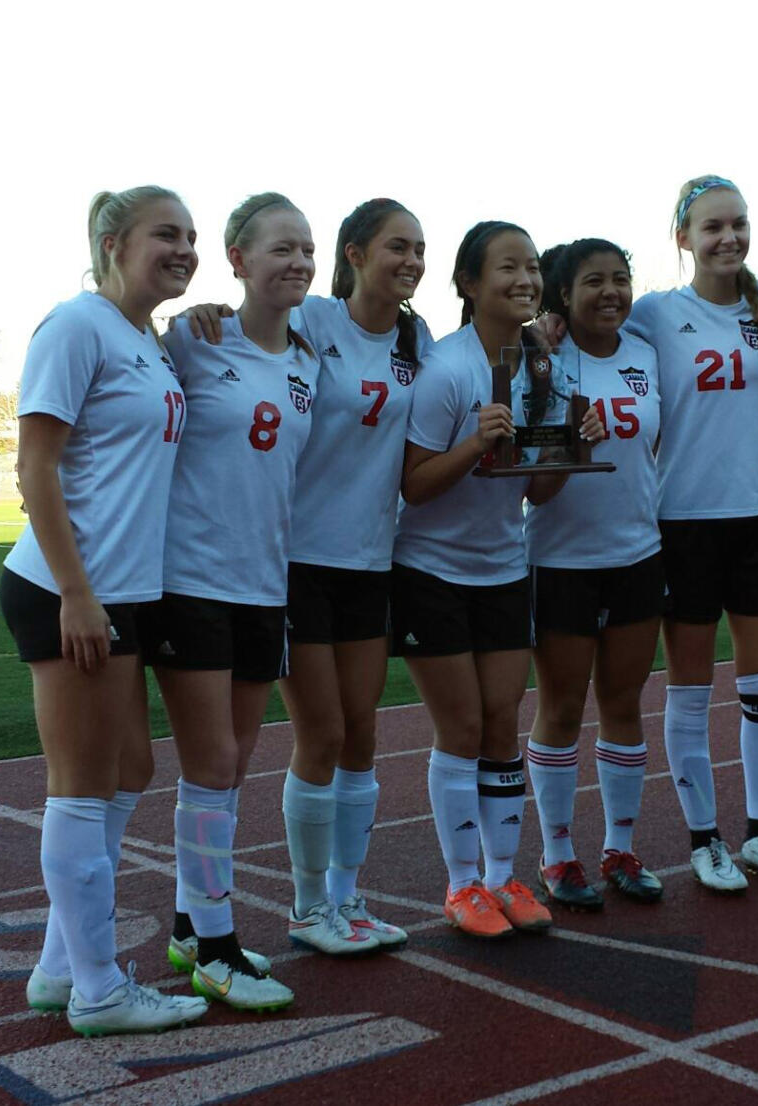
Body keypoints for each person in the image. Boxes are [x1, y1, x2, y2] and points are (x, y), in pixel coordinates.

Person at [1, 185, 209, 1035]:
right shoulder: (75, 326)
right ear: (115, 242)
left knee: (131, 774)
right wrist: (79, 596)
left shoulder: (149, 341)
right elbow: (35, 469)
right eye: (168, 234)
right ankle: (98, 991)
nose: (185, 248)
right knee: (81, 790)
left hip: (123, 592)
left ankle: (60, 968)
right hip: (68, 590)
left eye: (192, 236)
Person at [391, 220, 601, 938]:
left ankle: (502, 876)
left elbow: (534, 494)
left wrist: (571, 453)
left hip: (503, 570)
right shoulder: (447, 371)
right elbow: (414, 486)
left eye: (533, 268)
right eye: (507, 267)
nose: (525, 280)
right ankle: (459, 887)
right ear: (469, 284)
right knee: (462, 728)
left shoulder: (544, 366)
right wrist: (473, 441)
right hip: (431, 573)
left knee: (503, 729)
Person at [142, 191, 318, 1010]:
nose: (298, 262)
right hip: (191, 581)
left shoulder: (310, 359)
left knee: (234, 764)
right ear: (238, 261)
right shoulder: (193, 338)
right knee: (210, 764)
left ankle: (188, 921)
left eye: (306, 249)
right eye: (280, 248)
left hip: (264, 586)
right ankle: (215, 945)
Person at [625, 176, 758, 891]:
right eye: (711, 227)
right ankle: (706, 840)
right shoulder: (655, 315)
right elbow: (587, 341)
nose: (727, 237)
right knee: (692, 690)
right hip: (685, 520)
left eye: (738, 223)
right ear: (683, 238)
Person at [277, 199, 431, 954]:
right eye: (397, 247)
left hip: (373, 560)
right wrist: (203, 316)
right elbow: (241, 344)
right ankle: (308, 910)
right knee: (322, 730)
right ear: (355, 253)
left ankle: (347, 898)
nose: (410, 261)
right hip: (298, 559)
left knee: (363, 732)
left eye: (420, 250)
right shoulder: (309, 320)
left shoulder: (416, 337)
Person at [525, 239, 664, 910]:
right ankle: (557, 856)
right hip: (562, 562)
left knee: (624, 704)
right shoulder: (542, 363)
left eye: (620, 279)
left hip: (638, 555)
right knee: (560, 709)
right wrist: (574, 439)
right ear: (562, 295)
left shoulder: (644, 352)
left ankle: (620, 848)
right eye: (593, 282)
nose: (611, 292)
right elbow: (539, 492)